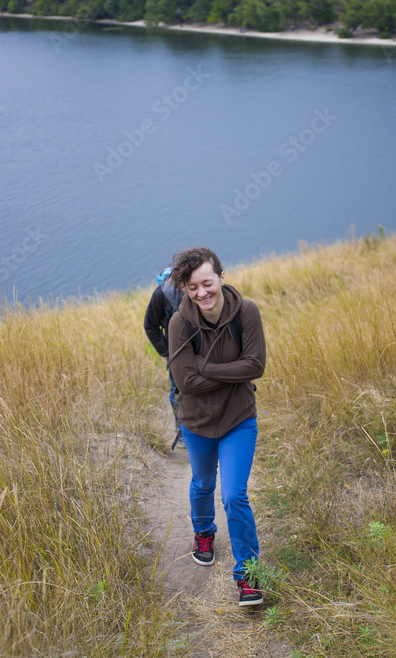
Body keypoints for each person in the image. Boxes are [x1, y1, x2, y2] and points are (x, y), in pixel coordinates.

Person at [166, 247, 267, 607]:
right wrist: (229, 372)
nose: (201, 293)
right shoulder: (180, 323)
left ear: (222, 278)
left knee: (234, 495)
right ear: (185, 289)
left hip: (239, 418)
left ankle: (249, 575)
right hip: (196, 422)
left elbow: (254, 366)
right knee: (203, 483)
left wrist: (204, 369)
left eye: (207, 283)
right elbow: (186, 383)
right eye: (192, 287)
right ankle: (204, 533)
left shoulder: (247, 313)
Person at [143, 266, 185, 447]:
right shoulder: (161, 294)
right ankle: (181, 431)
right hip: (176, 354)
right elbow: (150, 325)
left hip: (202, 350)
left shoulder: (199, 288)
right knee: (177, 390)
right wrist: (167, 352)